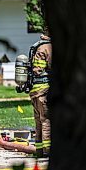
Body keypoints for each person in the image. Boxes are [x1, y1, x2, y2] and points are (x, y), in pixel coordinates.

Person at [29, 29, 52, 158]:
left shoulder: (37, 46)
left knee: (38, 121)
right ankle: (48, 152)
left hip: (35, 89)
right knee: (46, 120)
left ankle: (39, 151)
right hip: (43, 88)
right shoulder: (48, 47)